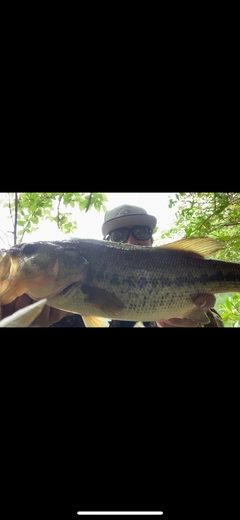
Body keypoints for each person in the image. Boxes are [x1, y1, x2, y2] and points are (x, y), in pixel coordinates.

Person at [0, 204, 223, 327]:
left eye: (141, 232)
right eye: (118, 235)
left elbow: (214, 322)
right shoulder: (62, 311)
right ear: (105, 245)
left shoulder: (191, 290)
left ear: (152, 240)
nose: (131, 241)